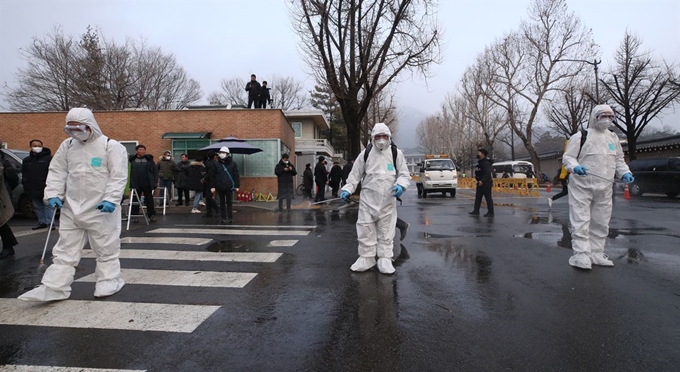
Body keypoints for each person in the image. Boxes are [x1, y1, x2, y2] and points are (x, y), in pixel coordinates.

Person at [19, 108, 128, 301]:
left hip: (101, 208)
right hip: (71, 207)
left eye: (79, 128)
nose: (75, 133)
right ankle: (54, 287)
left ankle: (109, 280)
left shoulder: (110, 146)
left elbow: (118, 176)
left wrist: (111, 199)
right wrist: (53, 194)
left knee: (106, 247)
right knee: (65, 249)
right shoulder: (68, 145)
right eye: (71, 129)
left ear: (90, 125)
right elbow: (57, 171)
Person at [562, 104, 634, 270]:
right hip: (582, 186)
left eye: (610, 116)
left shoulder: (613, 138)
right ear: (595, 116)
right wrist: (575, 168)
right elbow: (568, 158)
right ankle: (581, 254)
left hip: (605, 187)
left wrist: (624, 173)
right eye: (603, 116)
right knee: (581, 219)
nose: (607, 120)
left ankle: (596, 252)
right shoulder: (582, 136)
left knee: (601, 221)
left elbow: (618, 160)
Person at [340, 123, 410, 274]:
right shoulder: (365, 154)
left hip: (387, 201)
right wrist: (347, 189)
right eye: (378, 136)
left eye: (385, 136)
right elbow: (354, 176)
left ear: (389, 137)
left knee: (386, 231)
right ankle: (366, 257)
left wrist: (401, 186)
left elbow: (404, 174)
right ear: (373, 138)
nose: (382, 140)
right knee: (365, 228)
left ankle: (385, 258)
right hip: (367, 201)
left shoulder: (396, 153)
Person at [21, 139, 55, 230]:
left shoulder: (49, 159)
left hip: (46, 186)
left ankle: (50, 223)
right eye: (34, 146)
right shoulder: (27, 160)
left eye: (39, 145)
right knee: (37, 206)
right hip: (33, 187)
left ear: (42, 146)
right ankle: (42, 222)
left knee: (48, 205)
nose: (37, 148)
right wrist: (25, 185)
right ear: (31, 147)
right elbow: (25, 173)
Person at [129, 145, 158, 222]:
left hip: (147, 183)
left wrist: (155, 181)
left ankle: (151, 215)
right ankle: (134, 215)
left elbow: (155, 171)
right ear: (136, 151)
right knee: (135, 200)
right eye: (140, 150)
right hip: (136, 183)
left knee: (149, 200)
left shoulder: (149, 160)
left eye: (143, 150)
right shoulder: (131, 160)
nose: (142, 152)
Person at [0, 151, 19, 260]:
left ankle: (8, 247)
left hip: (1, 196)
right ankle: (9, 246)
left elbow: (13, 179)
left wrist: (6, 190)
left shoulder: (3, 161)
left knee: (2, 222)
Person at [215, 147, 240, 224]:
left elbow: (236, 175)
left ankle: (230, 217)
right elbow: (213, 175)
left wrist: (237, 186)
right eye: (220, 152)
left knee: (229, 203)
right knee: (221, 203)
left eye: (223, 152)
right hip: (220, 186)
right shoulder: (217, 163)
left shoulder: (233, 163)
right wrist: (213, 186)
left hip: (229, 186)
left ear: (227, 154)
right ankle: (223, 217)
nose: (221, 154)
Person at [469, 149, 494, 217]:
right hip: (480, 182)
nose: (478, 154)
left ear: (483, 154)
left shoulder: (486, 163)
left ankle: (490, 212)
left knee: (488, 198)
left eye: (479, 153)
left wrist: (482, 180)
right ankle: (476, 210)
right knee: (478, 197)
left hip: (486, 183)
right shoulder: (480, 162)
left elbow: (487, 173)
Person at [549, 140, 570, 209]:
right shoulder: (568, 158)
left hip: (564, 176)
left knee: (565, 192)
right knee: (567, 191)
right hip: (566, 177)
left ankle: (552, 198)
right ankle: (552, 198)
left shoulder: (566, 158)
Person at [202, 151, 221, 218]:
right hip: (212, 181)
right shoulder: (215, 163)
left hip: (210, 182)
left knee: (209, 197)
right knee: (208, 198)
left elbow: (211, 174)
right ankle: (209, 212)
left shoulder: (210, 163)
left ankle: (217, 209)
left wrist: (204, 177)